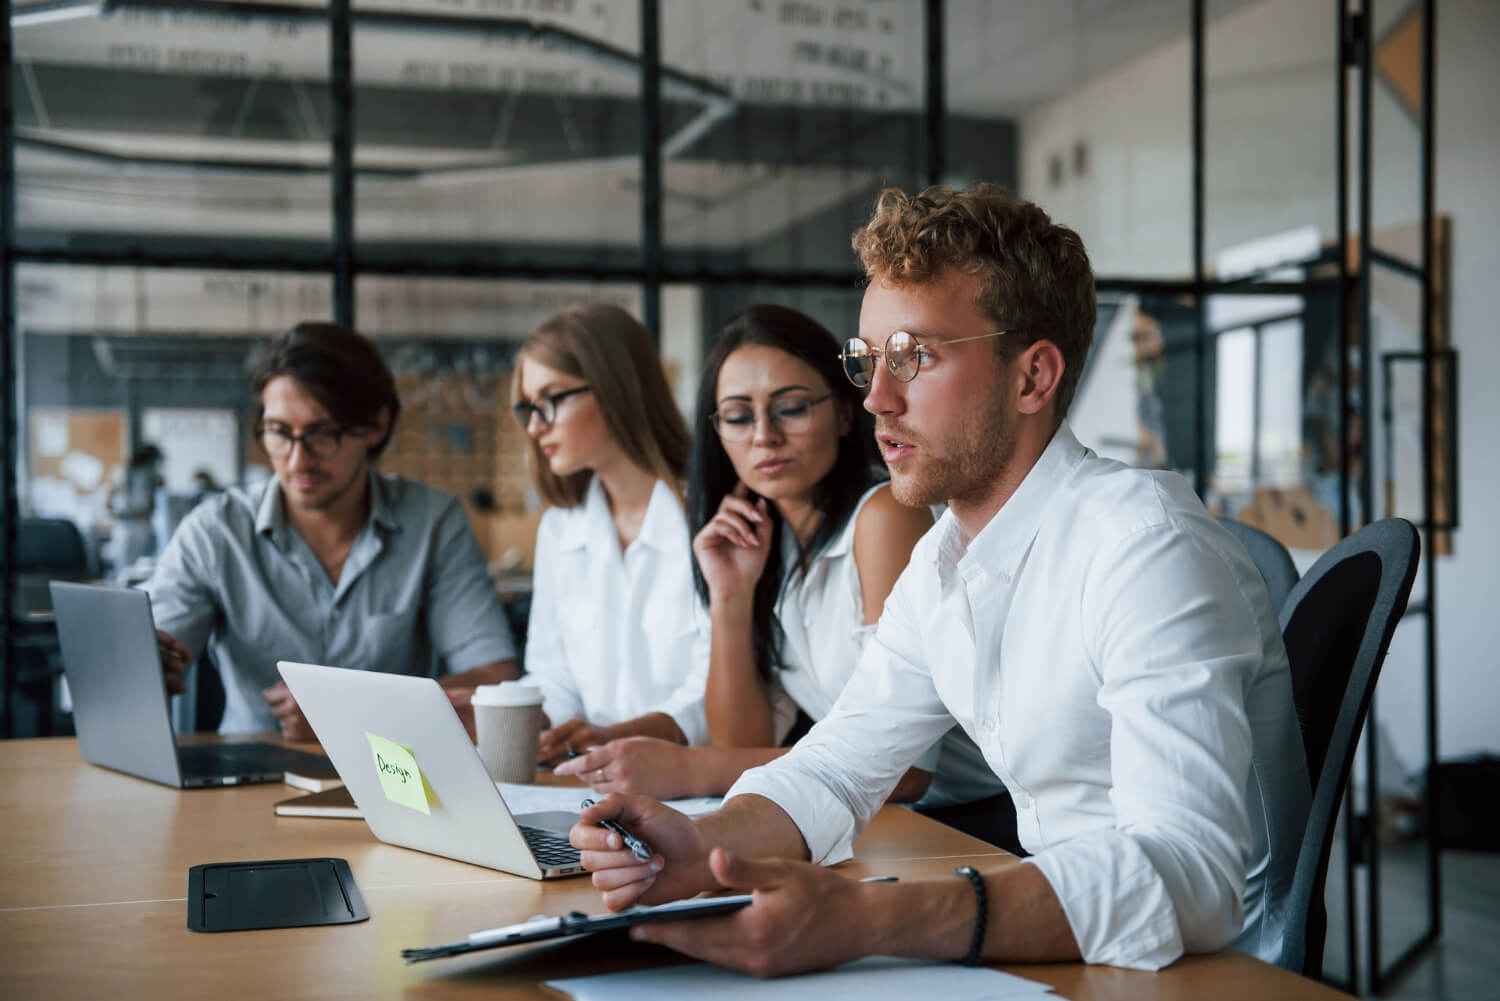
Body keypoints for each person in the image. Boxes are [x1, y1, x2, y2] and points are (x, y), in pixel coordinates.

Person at [571, 184, 1312, 975]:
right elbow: (836, 763)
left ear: (1032, 378)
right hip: (1064, 955)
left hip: (1210, 972)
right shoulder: (944, 558)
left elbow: (1193, 878)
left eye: (915, 356)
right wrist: (703, 842)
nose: (876, 400)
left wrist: (868, 916)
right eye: (867, 361)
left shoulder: (1146, 548)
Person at [556, 305, 1008, 834]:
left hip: (976, 820)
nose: (763, 437)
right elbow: (738, 742)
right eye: (739, 416)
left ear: (844, 413)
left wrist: (686, 768)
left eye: (791, 408)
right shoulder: (771, 543)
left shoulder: (885, 515)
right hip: (885, 819)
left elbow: (905, 769)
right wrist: (730, 596)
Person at [148, 322, 519, 738]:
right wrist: (146, 663)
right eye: (279, 432)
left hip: (395, 769)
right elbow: (153, 648)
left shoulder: (433, 522)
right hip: (248, 770)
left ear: (376, 426)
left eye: (322, 433)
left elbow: (494, 677)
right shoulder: (216, 531)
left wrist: (352, 709)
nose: (297, 460)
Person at [506, 303, 705, 765]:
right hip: (587, 778)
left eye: (552, 398)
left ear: (617, 389)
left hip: (692, 784)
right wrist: (516, 718)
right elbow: (553, 675)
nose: (536, 426)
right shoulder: (562, 527)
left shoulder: (711, 517)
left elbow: (718, 694)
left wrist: (612, 736)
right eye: (529, 407)